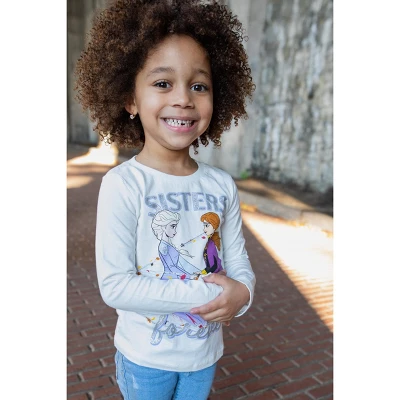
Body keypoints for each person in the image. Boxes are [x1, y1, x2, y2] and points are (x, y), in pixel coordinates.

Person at [75, 0, 256, 399]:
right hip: (145, 360)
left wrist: (242, 294)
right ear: (130, 99)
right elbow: (116, 286)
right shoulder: (124, 185)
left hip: (204, 356)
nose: (184, 99)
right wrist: (212, 294)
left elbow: (238, 262)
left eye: (199, 85)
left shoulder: (222, 185)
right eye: (162, 83)